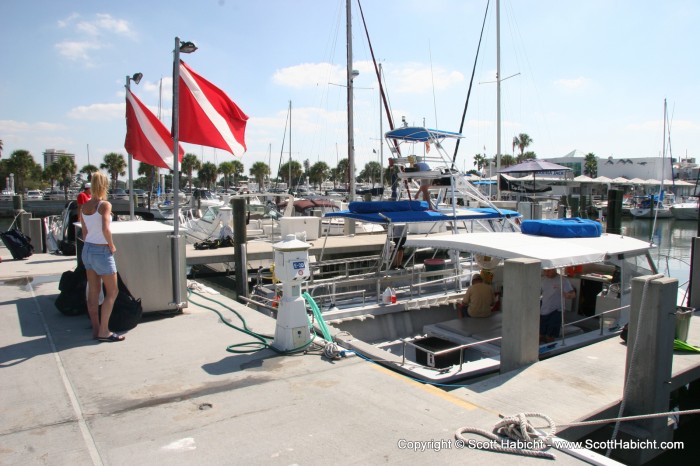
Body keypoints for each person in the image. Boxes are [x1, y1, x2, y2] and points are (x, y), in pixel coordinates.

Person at [80, 172, 124, 342]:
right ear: (104, 185)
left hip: (88, 249)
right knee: (112, 291)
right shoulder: (104, 205)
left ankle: (96, 329)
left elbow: (85, 231)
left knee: (93, 290)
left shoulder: (84, 206)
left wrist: (90, 244)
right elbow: (106, 228)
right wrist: (111, 245)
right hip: (101, 251)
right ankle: (104, 331)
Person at [540, 268, 576, 342]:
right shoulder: (542, 279)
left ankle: (550, 350)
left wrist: (568, 295)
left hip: (556, 310)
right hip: (544, 310)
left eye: (548, 271)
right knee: (540, 334)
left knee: (550, 336)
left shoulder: (563, 280)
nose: (546, 273)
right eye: (545, 271)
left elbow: (573, 294)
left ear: (554, 269)